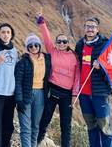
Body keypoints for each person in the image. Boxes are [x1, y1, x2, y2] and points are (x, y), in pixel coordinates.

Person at [35, 10, 79, 147]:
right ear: (56, 43)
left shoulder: (74, 57)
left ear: (68, 43)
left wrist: (75, 95)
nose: (61, 44)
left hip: (67, 94)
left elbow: (77, 77)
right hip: (52, 91)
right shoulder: (52, 51)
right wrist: (41, 21)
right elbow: (46, 37)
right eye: (59, 41)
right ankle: (37, 142)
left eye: (64, 41)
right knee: (45, 120)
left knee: (66, 124)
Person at [75, 17, 112, 147]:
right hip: (84, 94)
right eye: (88, 26)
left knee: (105, 127)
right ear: (84, 28)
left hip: (99, 94)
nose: (90, 29)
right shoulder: (80, 45)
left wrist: (101, 67)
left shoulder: (105, 45)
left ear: (98, 29)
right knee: (91, 127)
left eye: (93, 26)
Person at [15, 33, 51, 147]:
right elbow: (18, 82)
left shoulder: (46, 59)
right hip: (26, 94)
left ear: (39, 46)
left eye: (36, 45)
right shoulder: (22, 62)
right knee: (25, 126)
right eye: (30, 46)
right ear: (27, 47)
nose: (34, 47)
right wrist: (19, 100)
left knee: (35, 126)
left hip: (40, 94)